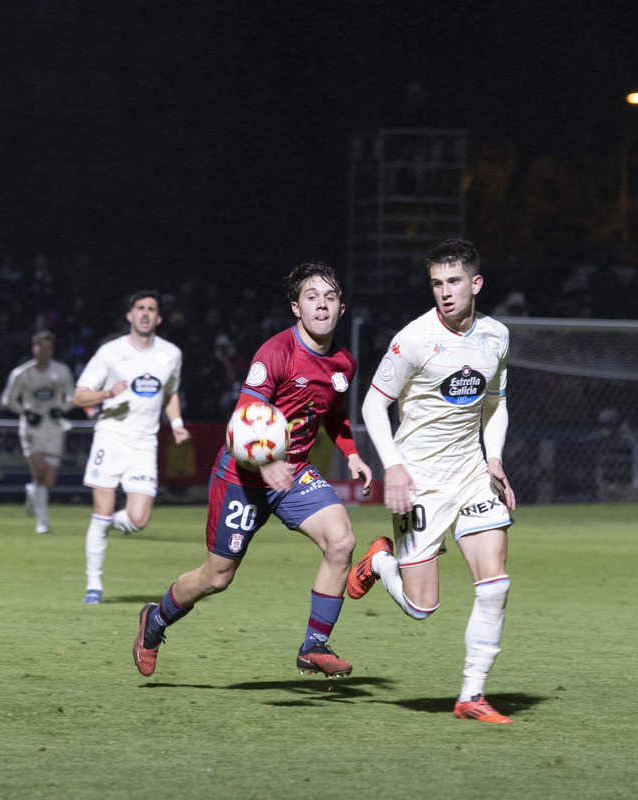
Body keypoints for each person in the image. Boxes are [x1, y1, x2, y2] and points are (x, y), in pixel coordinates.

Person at [133, 262, 374, 679]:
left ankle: (313, 646)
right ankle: (154, 621)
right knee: (217, 577)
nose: (321, 304)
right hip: (243, 476)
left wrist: (351, 453)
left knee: (342, 541)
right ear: (296, 307)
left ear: (342, 308)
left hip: (294, 473)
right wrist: (267, 463)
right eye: (312, 297)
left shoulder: (344, 364)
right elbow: (244, 415)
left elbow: (333, 415)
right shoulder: (276, 352)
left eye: (330, 297)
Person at [351, 238, 517, 724]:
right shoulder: (414, 339)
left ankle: (471, 696)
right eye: (436, 283)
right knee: (423, 608)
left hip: (471, 474)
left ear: (475, 283)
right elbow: (372, 405)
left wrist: (495, 458)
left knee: (494, 587)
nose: (444, 292)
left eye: (453, 281)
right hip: (420, 482)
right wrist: (393, 465)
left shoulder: (496, 337)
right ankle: (381, 561)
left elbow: (496, 403)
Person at [72, 290, 189, 604]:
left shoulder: (171, 354)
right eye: (140, 308)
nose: (146, 313)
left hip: (144, 443)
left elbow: (170, 392)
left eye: (152, 309)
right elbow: (79, 396)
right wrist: (108, 393)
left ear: (159, 318)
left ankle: (104, 528)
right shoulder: (110, 352)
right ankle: (93, 586)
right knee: (103, 510)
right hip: (110, 437)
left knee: (138, 520)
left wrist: (177, 425)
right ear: (130, 315)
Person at [0, 329, 76, 533]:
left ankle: (33, 492)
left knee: (48, 480)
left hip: (54, 427)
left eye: (48, 348)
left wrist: (62, 408)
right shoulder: (22, 373)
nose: (44, 351)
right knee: (39, 474)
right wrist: (25, 411)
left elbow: (71, 396)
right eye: (40, 347)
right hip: (33, 427)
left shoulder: (61, 371)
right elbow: (8, 399)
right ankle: (43, 522)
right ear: (34, 348)